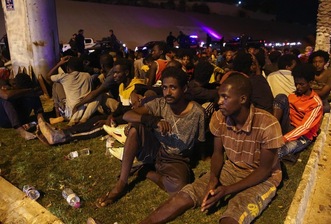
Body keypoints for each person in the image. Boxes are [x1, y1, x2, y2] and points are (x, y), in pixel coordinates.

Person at [140, 73, 283, 224]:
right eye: (219, 96)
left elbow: (264, 170)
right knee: (186, 195)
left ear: (242, 99)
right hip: (231, 169)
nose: (219, 102)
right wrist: (213, 180)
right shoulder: (219, 118)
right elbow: (217, 154)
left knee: (231, 217)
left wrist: (227, 190)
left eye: (225, 97)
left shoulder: (267, 124)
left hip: (262, 178)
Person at [95, 67, 206, 207]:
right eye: (165, 87)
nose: (168, 92)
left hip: (176, 158)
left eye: (173, 87)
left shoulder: (197, 113)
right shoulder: (160, 103)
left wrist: (202, 157)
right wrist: (153, 121)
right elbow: (127, 115)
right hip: (156, 147)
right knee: (136, 129)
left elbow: (201, 140)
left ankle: (145, 171)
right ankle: (121, 183)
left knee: (179, 187)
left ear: (184, 89)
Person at [274, 64, 323, 158]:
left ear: (311, 83)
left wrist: (283, 139)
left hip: (303, 135)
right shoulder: (293, 95)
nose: (298, 87)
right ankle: (270, 130)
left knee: (278, 152)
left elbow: (305, 127)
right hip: (289, 127)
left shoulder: (315, 103)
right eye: (296, 83)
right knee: (281, 97)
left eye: (302, 84)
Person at [45, 56, 98, 126]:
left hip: (70, 113)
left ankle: (58, 113)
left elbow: (48, 77)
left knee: (56, 84)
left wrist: (59, 63)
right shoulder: (87, 76)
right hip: (85, 110)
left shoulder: (64, 77)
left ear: (68, 68)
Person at [0, 73, 43, 140]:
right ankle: (21, 131)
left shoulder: (9, 82)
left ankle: (41, 121)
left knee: (33, 94)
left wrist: (31, 91)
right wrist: (29, 90)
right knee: (6, 99)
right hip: (5, 120)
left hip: (22, 117)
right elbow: (6, 96)